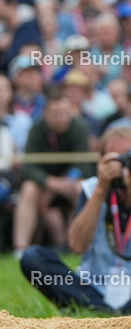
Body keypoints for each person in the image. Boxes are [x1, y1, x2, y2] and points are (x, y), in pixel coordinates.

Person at [19, 127, 131, 313]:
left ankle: (114, 311)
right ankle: (106, 309)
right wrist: (101, 189)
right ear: (101, 161)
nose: (124, 167)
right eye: (117, 159)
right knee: (32, 258)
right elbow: (77, 245)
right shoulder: (91, 189)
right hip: (93, 287)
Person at [13, 89, 92, 258]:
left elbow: (83, 163)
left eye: (64, 112)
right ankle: (21, 248)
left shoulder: (80, 127)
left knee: (81, 189)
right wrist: (49, 182)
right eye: (55, 112)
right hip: (44, 183)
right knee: (28, 188)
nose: (61, 117)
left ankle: (78, 244)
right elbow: (29, 166)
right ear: (46, 113)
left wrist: (65, 181)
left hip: (71, 180)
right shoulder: (36, 129)